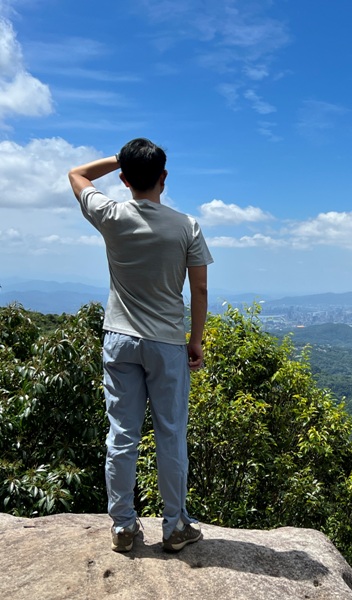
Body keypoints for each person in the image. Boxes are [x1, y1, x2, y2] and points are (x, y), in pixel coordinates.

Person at [68, 138, 213, 553]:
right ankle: (174, 526)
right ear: (164, 179)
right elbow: (199, 288)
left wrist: (121, 159)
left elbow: (75, 174)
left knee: (122, 434)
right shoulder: (187, 226)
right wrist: (196, 340)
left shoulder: (110, 214)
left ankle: (123, 526)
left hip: (120, 339)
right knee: (171, 435)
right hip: (167, 343)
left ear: (125, 179)